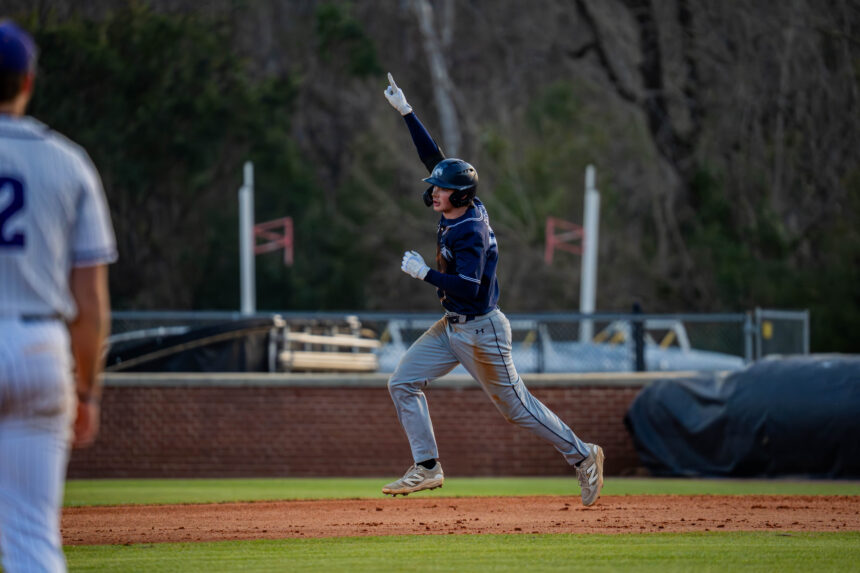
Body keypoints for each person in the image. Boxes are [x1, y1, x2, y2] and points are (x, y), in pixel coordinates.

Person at [381, 73, 604, 506]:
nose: (434, 192)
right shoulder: (466, 202)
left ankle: (583, 455)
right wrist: (407, 113)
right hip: (453, 327)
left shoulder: (470, 233)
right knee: (402, 382)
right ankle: (426, 467)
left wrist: (424, 274)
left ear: (460, 197)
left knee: (516, 408)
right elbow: (436, 160)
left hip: (483, 330)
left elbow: (467, 286)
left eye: (442, 190)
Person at [0, 20, 117, 572]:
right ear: (27, 81)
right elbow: (91, 302)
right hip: (42, 349)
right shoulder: (68, 161)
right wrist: (88, 392)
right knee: (32, 540)